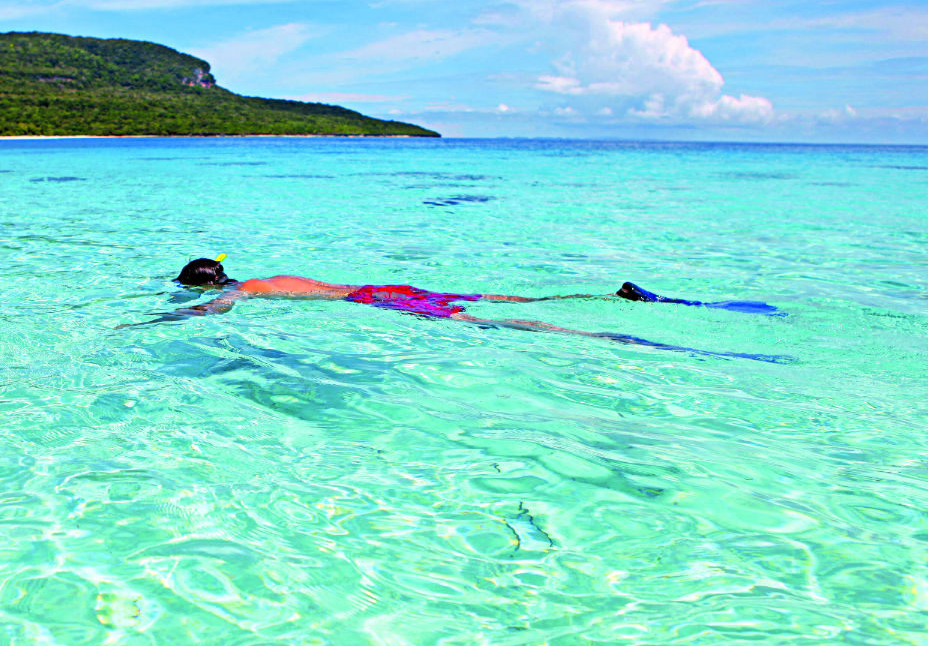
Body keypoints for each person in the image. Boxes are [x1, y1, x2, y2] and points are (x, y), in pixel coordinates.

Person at [124, 255, 791, 364]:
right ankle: (629, 300)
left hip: (373, 300)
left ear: (207, 284)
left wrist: (154, 322)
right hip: (387, 284)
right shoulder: (276, 272)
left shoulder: (241, 292)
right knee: (501, 301)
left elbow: (207, 315)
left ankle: (620, 335)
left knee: (506, 324)